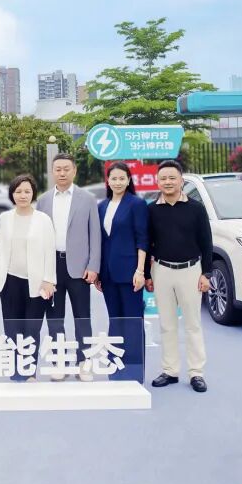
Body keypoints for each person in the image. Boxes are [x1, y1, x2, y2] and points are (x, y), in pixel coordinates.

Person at [35, 153, 102, 382]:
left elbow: (95, 235)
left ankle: (84, 362)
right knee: (55, 318)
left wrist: (93, 266)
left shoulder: (87, 199)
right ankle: (59, 362)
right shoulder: (43, 200)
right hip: (52, 267)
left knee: (83, 317)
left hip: (79, 268)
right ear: (52, 172)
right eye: (58, 169)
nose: (62, 173)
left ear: (74, 171)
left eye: (66, 169)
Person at [147, 159, 212, 393]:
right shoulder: (151, 210)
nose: (168, 182)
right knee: (167, 324)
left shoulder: (196, 208)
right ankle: (170, 371)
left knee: (193, 324)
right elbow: (147, 243)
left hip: (191, 271)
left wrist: (206, 273)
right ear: (157, 182)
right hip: (162, 270)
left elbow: (206, 242)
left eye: (172, 178)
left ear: (181, 180)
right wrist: (148, 275)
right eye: (163, 178)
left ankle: (196, 373)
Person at [0, 174, 56, 381]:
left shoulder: (43, 219)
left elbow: (50, 251)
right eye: (18, 191)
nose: (22, 195)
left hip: (37, 283)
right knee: (12, 329)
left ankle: (29, 372)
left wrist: (49, 280)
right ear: (12, 194)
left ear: (33, 194)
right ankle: (15, 371)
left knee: (32, 329)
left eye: (27, 191)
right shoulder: (5, 218)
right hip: (9, 281)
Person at [93, 162, 149, 382]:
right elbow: (100, 241)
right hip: (108, 275)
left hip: (130, 274)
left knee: (133, 322)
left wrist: (140, 271)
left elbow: (142, 239)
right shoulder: (102, 206)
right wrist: (98, 272)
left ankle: (134, 373)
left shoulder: (136, 204)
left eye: (121, 178)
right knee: (115, 321)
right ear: (108, 181)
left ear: (128, 180)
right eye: (113, 178)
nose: (117, 182)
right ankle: (116, 370)